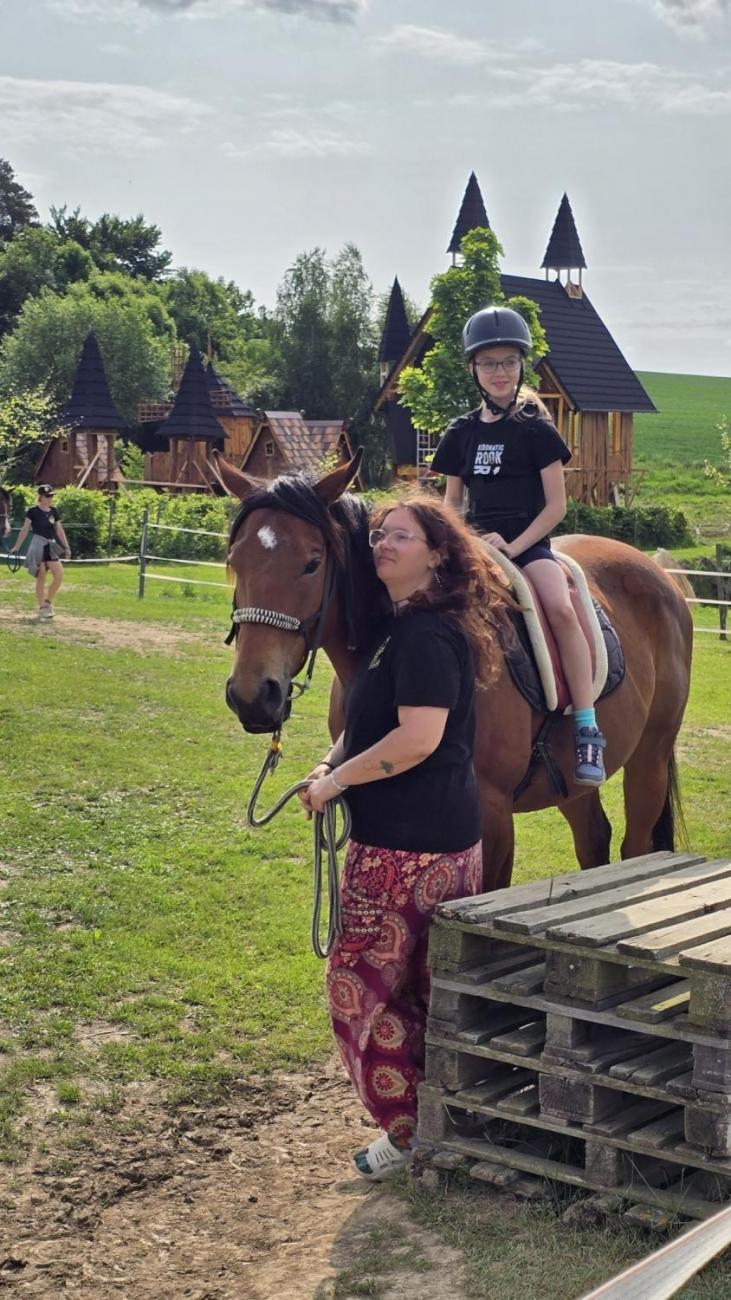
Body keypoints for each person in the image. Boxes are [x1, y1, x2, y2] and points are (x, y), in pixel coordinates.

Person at [299, 495, 512, 1181]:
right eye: (379, 534)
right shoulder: (403, 625)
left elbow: (417, 738)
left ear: (437, 553)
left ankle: (407, 1130)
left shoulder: (422, 635)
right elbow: (371, 720)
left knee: (356, 989)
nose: (382, 544)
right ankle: (435, 1123)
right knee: (417, 993)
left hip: (406, 846)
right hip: (431, 837)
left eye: (401, 536)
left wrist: (338, 785)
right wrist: (333, 761)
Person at [431, 304, 607, 786]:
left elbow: (556, 507)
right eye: (489, 363)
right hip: (474, 546)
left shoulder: (536, 430)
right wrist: (460, 541)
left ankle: (587, 726)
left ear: (521, 365)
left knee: (561, 607)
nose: (500, 372)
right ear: (473, 369)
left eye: (509, 361)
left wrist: (514, 546)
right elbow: (451, 502)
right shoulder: (460, 434)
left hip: (528, 547)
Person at [10, 484, 71, 619]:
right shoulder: (33, 511)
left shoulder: (54, 511)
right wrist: (17, 546)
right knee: (41, 576)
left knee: (59, 574)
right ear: (41, 497)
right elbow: (25, 529)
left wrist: (66, 546)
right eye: (47, 496)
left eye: (51, 496)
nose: (50, 499)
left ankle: (48, 601)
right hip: (37, 544)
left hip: (50, 545)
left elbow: (59, 529)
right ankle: (42, 607)